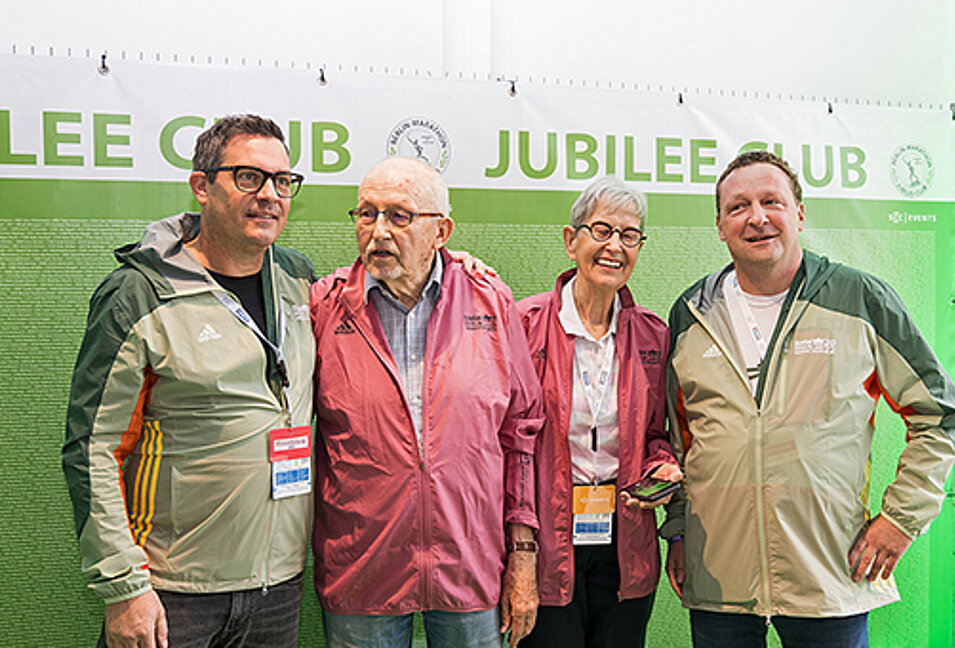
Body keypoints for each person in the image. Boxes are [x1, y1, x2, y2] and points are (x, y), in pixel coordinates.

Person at [661, 150, 955, 647]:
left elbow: (938, 414)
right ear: (719, 225)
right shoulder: (692, 313)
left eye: (771, 201)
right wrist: (678, 531)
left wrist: (900, 521)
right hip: (717, 576)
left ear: (799, 212)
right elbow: (678, 439)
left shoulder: (860, 299)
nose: (756, 217)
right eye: (738, 207)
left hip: (830, 571)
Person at [63, 114, 316, 648]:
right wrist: (124, 586)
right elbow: (94, 447)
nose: (270, 194)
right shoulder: (139, 294)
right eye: (248, 177)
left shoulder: (299, 280)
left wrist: (451, 264)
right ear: (202, 186)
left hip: (279, 585)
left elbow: (391, 277)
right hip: (171, 590)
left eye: (282, 181)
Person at [310, 156, 545, 648]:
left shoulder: (490, 302)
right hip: (363, 570)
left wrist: (522, 552)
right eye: (366, 214)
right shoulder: (324, 308)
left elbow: (521, 432)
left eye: (399, 216)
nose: (378, 232)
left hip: (471, 562)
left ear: (442, 231)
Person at [516, 176, 682, 648]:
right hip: (549, 536)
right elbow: (511, 445)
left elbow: (656, 432)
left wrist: (660, 466)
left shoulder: (653, 336)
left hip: (626, 538)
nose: (615, 246)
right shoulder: (524, 326)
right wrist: (519, 546)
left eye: (629, 235)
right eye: (602, 230)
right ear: (572, 241)